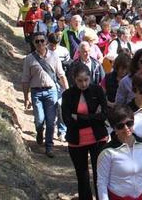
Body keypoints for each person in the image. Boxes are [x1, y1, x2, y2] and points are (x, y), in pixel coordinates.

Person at [62, 63, 109, 200]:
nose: (83, 84)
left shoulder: (98, 91)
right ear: (74, 80)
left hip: (98, 139)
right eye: (79, 81)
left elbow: (104, 115)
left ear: (90, 78)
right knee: (82, 177)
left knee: (99, 174)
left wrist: (80, 118)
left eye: (86, 80)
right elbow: (68, 121)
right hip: (76, 141)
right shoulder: (68, 95)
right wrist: (94, 117)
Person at [97, 105, 142, 200]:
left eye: (129, 123)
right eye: (120, 126)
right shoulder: (107, 152)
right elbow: (102, 183)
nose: (126, 128)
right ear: (114, 128)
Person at [21, 32, 69, 157]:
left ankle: (49, 146)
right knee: (39, 119)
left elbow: (61, 75)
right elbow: (25, 79)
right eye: (37, 41)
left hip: (51, 91)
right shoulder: (29, 59)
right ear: (33, 43)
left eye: (42, 40)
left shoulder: (54, 56)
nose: (40, 43)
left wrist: (68, 91)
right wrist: (26, 97)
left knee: (51, 120)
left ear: (46, 41)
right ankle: (39, 130)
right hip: (36, 92)